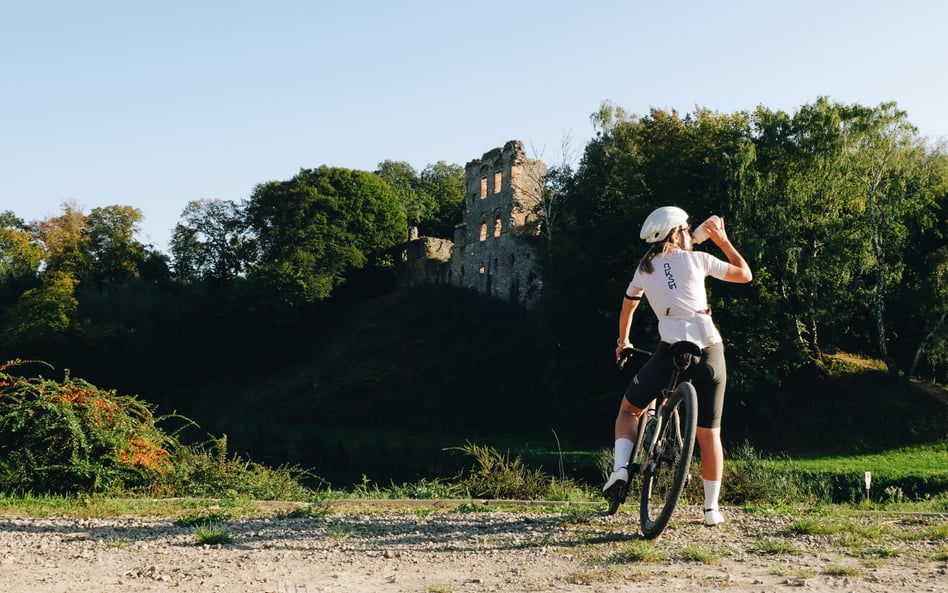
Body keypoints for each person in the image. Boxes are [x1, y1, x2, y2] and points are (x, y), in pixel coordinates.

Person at [603, 206, 752, 526]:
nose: (689, 232)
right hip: (709, 350)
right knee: (710, 434)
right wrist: (722, 241)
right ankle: (711, 509)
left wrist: (623, 342)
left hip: (670, 351)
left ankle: (619, 470)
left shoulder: (644, 268)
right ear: (676, 233)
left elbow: (628, 306)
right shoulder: (699, 259)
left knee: (629, 410)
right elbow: (745, 274)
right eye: (685, 228)